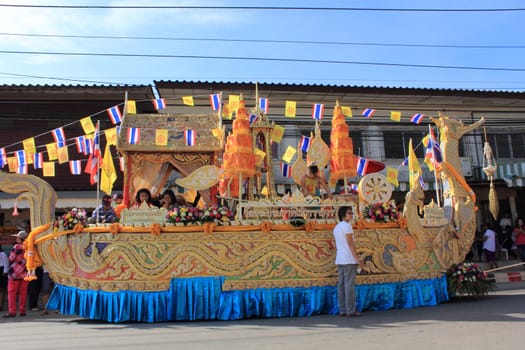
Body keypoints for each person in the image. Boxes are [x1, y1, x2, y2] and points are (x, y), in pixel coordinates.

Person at [333, 206, 363, 317]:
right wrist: (357, 258)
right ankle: (350, 309)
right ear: (343, 215)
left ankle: (343, 309)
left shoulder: (336, 227)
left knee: (341, 285)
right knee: (349, 285)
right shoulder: (347, 226)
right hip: (348, 258)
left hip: (340, 258)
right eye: (349, 213)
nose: (351, 215)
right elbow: (350, 244)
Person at [3, 230, 29, 318]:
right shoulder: (29, 247)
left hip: (14, 273)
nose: (16, 239)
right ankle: (22, 310)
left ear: (20, 239)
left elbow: (11, 258)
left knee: (12, 292)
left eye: (17, 237)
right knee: (23, 293)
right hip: (25, 272)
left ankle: (12, 311)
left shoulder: (16, 247)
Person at [0, 244, 8, 311]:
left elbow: (6, 264)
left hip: (1, 271)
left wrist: (5, 272)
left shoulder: (2, 254)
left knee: (1, 289)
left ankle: (0, 306)